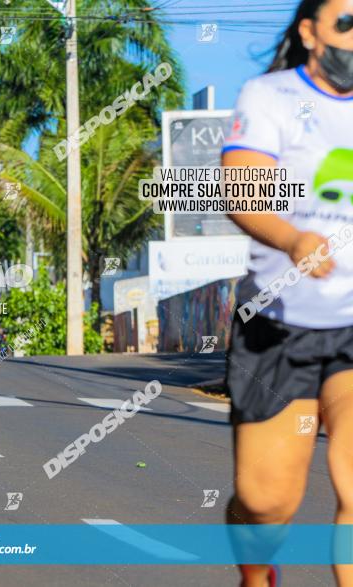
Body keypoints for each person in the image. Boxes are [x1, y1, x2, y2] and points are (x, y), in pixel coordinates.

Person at [221, 1, 353, 585]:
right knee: (266, 501)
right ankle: (256, 574)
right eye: (346, 24)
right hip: (280, 324)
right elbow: (243, 191)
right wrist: (295, 239)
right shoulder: (269, 96)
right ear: (310, 31)